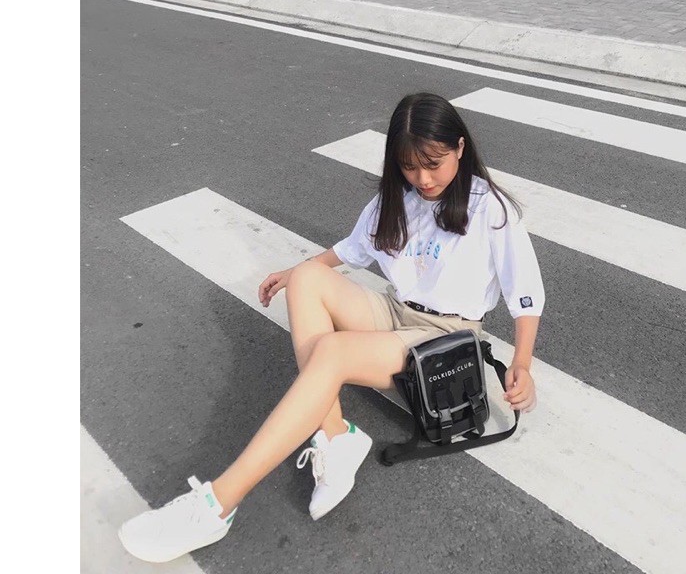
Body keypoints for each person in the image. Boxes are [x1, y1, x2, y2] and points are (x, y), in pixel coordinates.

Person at [118, 92, 546, 563]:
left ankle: (218, 504)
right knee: (306, 278)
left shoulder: (490, 208)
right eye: (409, 166)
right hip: (396, 312)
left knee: (332, 353)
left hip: (445, 340)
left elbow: (524, 292)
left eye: (434, 164)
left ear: (460, 148)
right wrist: (295, 271)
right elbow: (350, 250)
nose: (423, 179)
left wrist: (522, 363)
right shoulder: (398, 199)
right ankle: (335, 433)